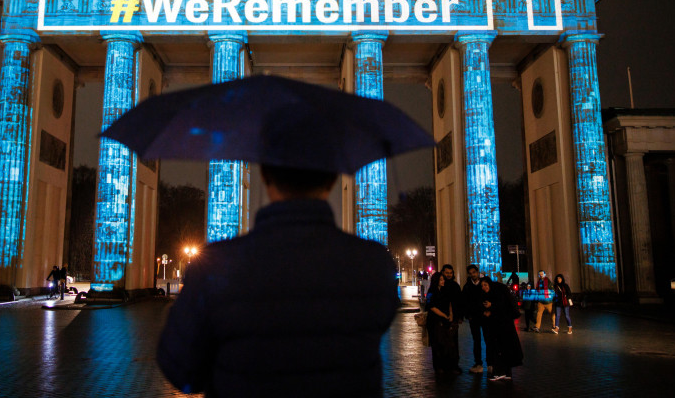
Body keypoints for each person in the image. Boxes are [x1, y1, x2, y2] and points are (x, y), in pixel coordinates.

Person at [157, 164, 399, 397]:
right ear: (334, 178)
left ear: (263, 174)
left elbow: (182, 370)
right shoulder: (373, 263)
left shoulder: (215, 265)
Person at [480, 276, 523, 382]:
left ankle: (499, 372)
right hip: (504, 327)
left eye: (485, 285)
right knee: (504, 349)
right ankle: (507, 372)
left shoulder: (496, 295)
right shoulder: (497, 292)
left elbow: (502, 308)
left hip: (502, 328)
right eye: (482, 286)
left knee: (499, 349)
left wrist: (492, 307)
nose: (483, 287)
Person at [425, 264, 461, 375]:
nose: (443, 280)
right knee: (437, 344)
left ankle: (449, 365)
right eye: (441, 279)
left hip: (445, 320)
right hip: (435, 321)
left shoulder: (446, 289)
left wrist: (450, 314)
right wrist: (445, 316)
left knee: (448, 343)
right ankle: (438, 366)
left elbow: (450, 302)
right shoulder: (432, 292)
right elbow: (431, 307)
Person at [460, 264, 486, 373]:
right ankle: (478, 363)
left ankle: (491, 363)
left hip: (484, 316)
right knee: (476, 340)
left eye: (474, 272)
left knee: (489, 339)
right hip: (473, 317)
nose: (473, 275)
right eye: (470, 273)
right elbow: (464, 301)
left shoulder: (484, 284)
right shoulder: (467, 286)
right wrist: (467, 315)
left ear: (477, 272)